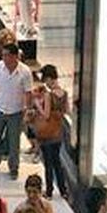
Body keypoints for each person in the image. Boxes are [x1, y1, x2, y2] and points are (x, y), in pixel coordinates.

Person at [0, 44, 32, 180]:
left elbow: (28, 93)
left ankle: (14, 167)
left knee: (14, 141)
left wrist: (27, 110)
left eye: (7, 55)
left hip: (16, 112)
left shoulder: (25, 72)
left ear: (15, 56)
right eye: (3, 55)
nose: (4, 58)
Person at [33, 65, 69, 198]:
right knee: (57, 162)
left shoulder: (49, 95)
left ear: (49, 78)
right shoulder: (64, 93)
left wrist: (37, 104)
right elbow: (66, 111)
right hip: (58, 132)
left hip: (47, 133)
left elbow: (46, 115)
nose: (45, 83)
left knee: (48, 163)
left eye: (45, 80)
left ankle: (49, 192)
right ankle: (63, 191)